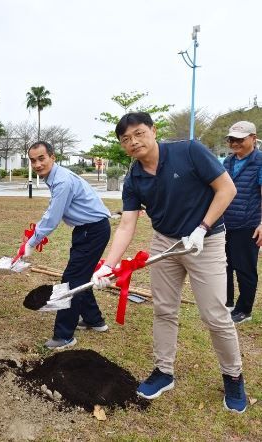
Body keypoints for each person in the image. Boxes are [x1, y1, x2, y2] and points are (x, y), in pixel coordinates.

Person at [92, 112, 247, 413]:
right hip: (166, 242)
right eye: (126, 139)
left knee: (215, 315)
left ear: (153, 130)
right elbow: (126, 225)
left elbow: (227, 189)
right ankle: (164, 371)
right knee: (164, 309)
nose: (134, 141)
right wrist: (107, 266)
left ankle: (233, 376)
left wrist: (202, 228)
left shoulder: (189, 151)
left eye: (138, 133)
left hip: (207, 239)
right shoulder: (134, 178)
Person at [19, 141, 111, 350]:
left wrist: (32, 243)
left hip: (93, 230)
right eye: (33, 160)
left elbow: (52, 218)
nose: (37, 164)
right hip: (86, 230)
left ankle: (64, 335)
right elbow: (52, 212)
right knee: (80, 276)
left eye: (42, 158)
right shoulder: (56, 177)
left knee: (71, 281)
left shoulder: (61, 181)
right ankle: (93, 320)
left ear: (52, 157)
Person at [222, 121, 262, 323]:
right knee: (224, 265)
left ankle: (244, 310)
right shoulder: (228, 162)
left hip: (248, 225)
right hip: (225, 223)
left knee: (245, 268)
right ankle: (226, 302)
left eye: (240, 139)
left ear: (253, 138)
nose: (235, 143)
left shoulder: (260, 161)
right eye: (232, 139)